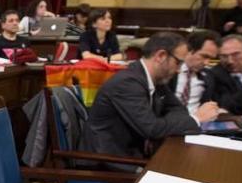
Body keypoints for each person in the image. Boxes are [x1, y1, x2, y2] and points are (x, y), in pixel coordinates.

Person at [80, 32, 220, 161]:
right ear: (161, 56)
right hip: (108, 162)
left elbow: (178, 110)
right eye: (178, 62)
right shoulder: (127, 82)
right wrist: (197, 118)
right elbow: (152, 129)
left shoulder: (156, 79)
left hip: (132, 153)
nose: (179, 70)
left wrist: (160, 126)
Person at [170, 30, 219, 113]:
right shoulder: (168, 70)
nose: (206, 63)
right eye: (204, 56)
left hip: (198, 122)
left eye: (211, 59)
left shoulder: (209, 76)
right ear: (189, 50)